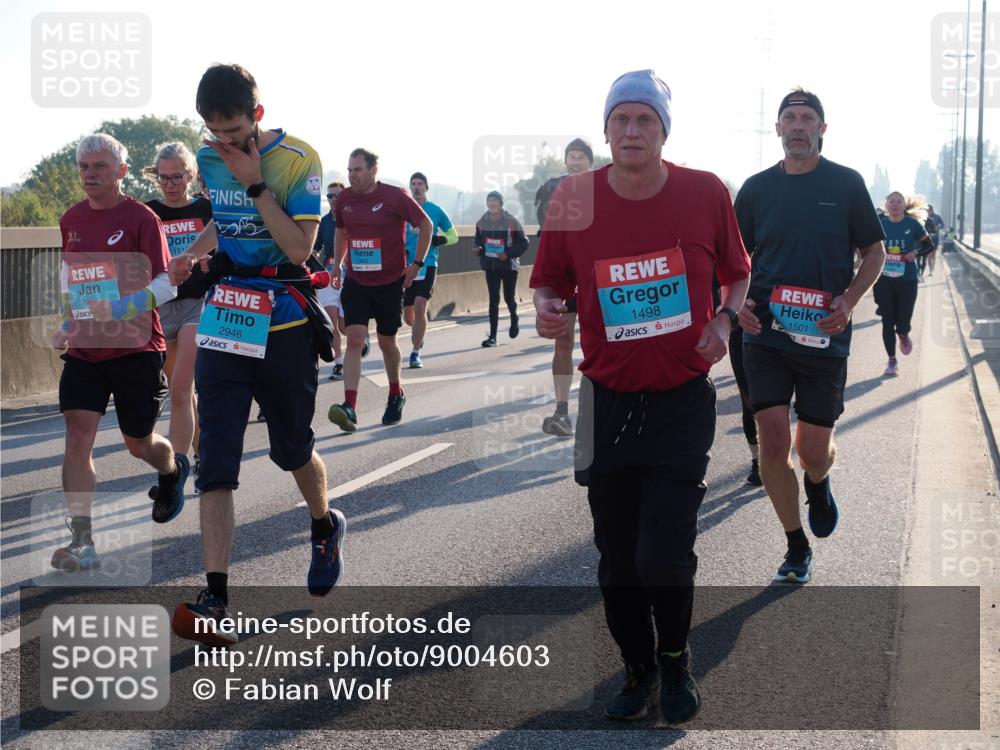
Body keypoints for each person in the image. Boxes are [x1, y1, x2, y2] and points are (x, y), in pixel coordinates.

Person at [532, 70, 750, 724]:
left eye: (645, 121)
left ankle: (676, 660)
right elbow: (548, 282)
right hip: (604, 402)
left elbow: (738, 275)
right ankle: (636, 669)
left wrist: (724, 320)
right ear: (606, 129)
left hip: (681, 397)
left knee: (663, 552)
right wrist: (548, 309)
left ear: (663, 131)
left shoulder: (704, 192)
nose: (632, 131)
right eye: (621, 119)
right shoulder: (574, 198)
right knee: (616, 558)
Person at [169, 64, 344, 644]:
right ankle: (215, 596)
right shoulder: (211, 155)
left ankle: (324, 523)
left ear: (258, 117)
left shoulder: (299, 160)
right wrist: (192, 253)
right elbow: (224, 222)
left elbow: (299, 247)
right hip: (226, 318)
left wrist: (256, 183)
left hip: (286, 322)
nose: (224, 143)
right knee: (216, 459)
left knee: (292, 449)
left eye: (235, 131)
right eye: (214, 134)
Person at [735, 88, 886, 585]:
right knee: (773, 439)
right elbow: (733, 261)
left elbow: (874, 252)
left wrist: (850, 300)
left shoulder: (845, 184)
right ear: (777, 129)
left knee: (812, 449)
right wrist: (737, 307)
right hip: (766, 335)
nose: (797, 126)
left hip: (824, 335)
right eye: (789, 118)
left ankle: (818, 483)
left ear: (822, 129)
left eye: (807, 118)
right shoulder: (755, 190)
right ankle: (795, 545)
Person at [52, 133, 184, 572]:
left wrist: (122, 307)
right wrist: (70, 323)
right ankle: (82, 542)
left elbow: (167, 284)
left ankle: (171, 471)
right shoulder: (70, 219)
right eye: (84, 168)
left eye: (100, 167)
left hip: (136, 348)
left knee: (138, 443)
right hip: (87, 352)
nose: (90, 175)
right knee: (77, 437)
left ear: (122, 172)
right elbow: (75, 281)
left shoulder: (141, 218)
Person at [327, 149, 432, 431]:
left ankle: (395, 393)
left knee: (387, 342)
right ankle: (349, 406)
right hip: (357, 281)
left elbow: (426, 225)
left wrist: (417, 265)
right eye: (349, 170)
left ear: (374, 170)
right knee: (356, 337)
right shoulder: (345, 199)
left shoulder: (395, 196)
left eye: (357, 170)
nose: (352, 175)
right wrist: (338, 265)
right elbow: (341, 232)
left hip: (389, 283)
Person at [142, 142, 213, 489]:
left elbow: (227, 247)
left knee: (182, 389)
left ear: (191, 175)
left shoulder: (205, 209)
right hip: (160, 307)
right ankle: (205, 459)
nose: (171, 184)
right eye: (164, 177)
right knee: (183, 392)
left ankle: (175, 473)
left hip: (198, 304)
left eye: (178, 176)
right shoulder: (147, 213)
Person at [534, 138, 594, 437]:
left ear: (590, 162)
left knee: (602, 342)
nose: (575, 161)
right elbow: (546, 231)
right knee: (564, 341)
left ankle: (603, 410)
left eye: (581, 156)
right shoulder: (552, 188)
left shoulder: (604, 187)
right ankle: (562, 411)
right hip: (566, 276)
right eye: (571, 156)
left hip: (598, 274)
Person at [874, 192, 934, 376]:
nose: (895, 204)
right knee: (887, 321)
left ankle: (903, 334)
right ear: (886, 205)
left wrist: (914, 253)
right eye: (891, 201)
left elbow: (928, 246)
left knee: (902, 322)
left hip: (907, 280)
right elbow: (868, 247)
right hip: (884, 280)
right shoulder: (880, 225)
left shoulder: (912, 225)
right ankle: (892, 361)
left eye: (898, 201)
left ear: (903, 205)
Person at [403, 172, 458, 369]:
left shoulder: (435, 211)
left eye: (420, 184)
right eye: (413, 184)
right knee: (409, 316)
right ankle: (419, 331)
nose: (416, 187)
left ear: (426, 187)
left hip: (428, 264)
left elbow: (454, 236)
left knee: (420, 306)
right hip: (407, 266)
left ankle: (415, 352)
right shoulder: (404, 209)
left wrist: (440, 240)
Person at [475, 191, 528, 348]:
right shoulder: (481, 221)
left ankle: (514, 316)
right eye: (489, 201)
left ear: (501, 203)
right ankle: (493, 337)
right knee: (493, 300)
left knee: (508, 298)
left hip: (508, 266)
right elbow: (477, 239)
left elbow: (524, 243)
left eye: (495, 201)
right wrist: (477, 248)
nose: (492, 204)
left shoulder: (511, 221)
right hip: (490, 265)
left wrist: (508, 254)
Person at [315, 181, 347, 380]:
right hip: (328, 276)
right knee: (332, 323)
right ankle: (339, 363)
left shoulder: (354, 218)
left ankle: (362, 337)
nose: (334, 199)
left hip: (350, 277)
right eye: (330, 196)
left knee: (345, 327)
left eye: (338, 195)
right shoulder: (323, 222)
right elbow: (316, 246)